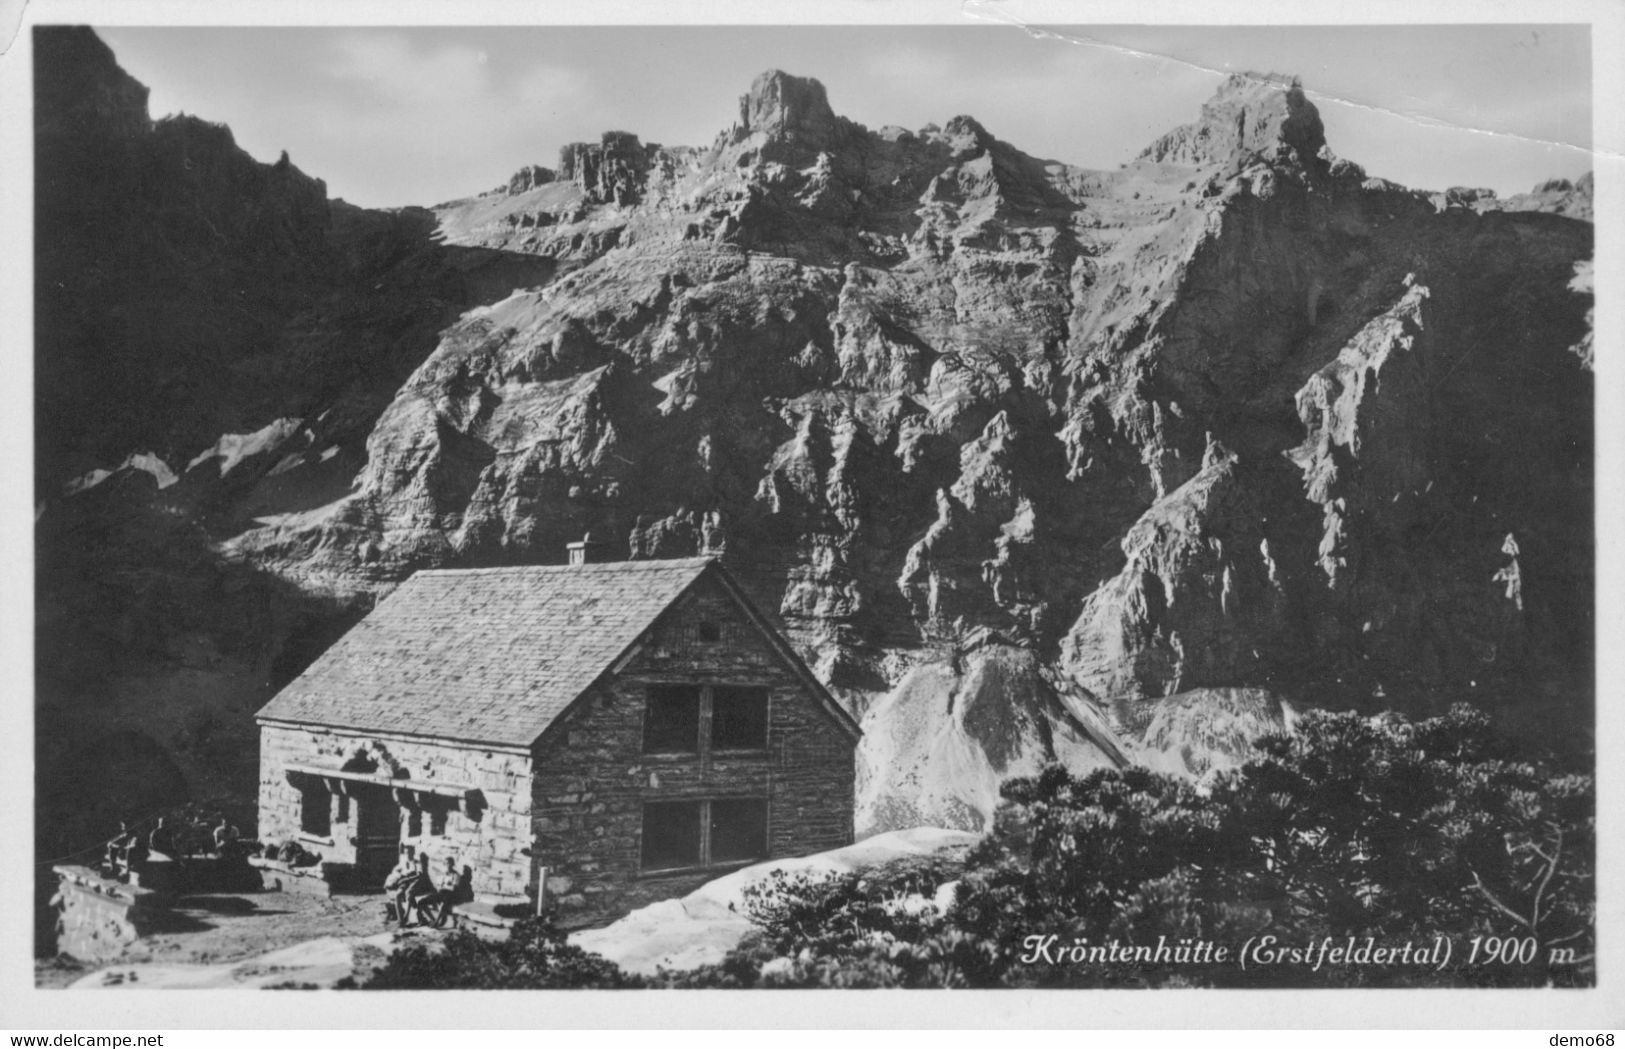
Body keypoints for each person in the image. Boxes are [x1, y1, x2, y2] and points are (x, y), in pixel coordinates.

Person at [421, 858, 474, 929]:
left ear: (452, 865)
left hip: (451, 895)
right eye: (446, 863)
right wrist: (445, 885)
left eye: (450, 863)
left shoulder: (456, 875)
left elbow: (454, 888)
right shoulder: (444, 874)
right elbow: (439, 886)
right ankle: (433, 920)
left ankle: (436, 923)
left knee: (445, 902)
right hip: (442, 893)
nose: (448, 865)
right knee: (422, 902)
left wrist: (445, 886)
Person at [400, 853, 437, 928]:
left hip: (428, 887)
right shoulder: (416, 864)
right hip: (422, 885)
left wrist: (408, 879)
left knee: (411, 894)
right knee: (410, 895)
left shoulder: (425, 869)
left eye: (423, 861)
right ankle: (417, 916)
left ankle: (414, 916)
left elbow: (421, 876)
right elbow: (418, 875)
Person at [382, 846, 418, 924]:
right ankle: (400, 919)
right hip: (403, 883)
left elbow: (418, 875)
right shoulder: (404, 863)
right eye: (406, 853)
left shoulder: (416, 863)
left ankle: (404, 917)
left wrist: (407, 878)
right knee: (397, 895)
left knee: (405, 895)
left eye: (409, 852)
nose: (408, 854)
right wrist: (399, 874)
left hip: (412, 883)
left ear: (413, 853)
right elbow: (395, 870)